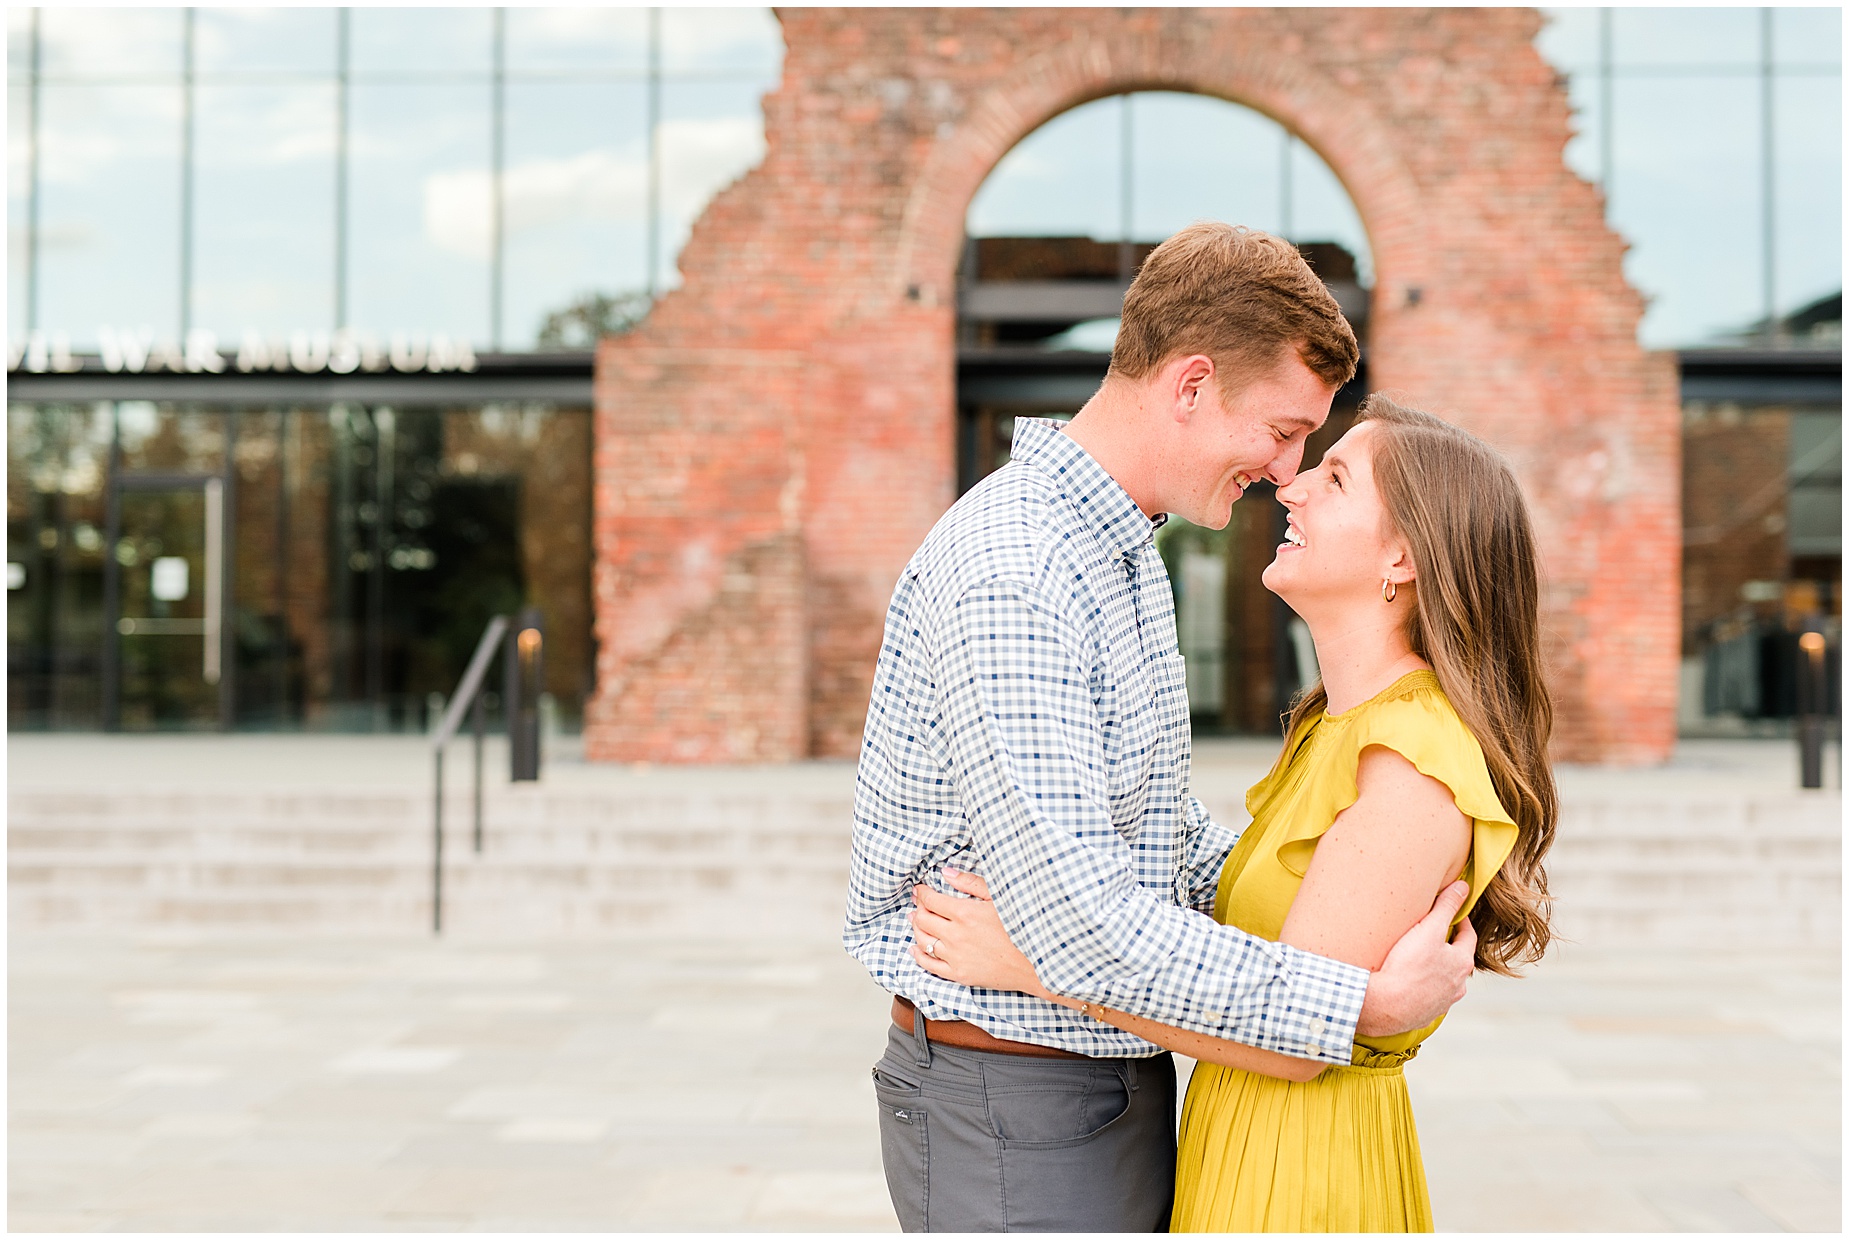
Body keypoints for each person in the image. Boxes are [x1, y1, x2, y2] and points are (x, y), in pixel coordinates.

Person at [841, 223, 1479, 1233]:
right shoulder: (1020, 569)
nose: (1285, 469)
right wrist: (1359, 1007)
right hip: (1019, 1104)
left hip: (1094, 1086)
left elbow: (1156, 838)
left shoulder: (1118, 551)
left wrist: (1338, 875)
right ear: (1188, 386)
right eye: (1280, 429)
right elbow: (1088, 929)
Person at [912, 396, 1559, 1231]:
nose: (1289, 489)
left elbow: (1289, 1042)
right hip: (1244, 1137)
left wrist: (1035, 963)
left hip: (1297, 1170)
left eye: (1333, 476)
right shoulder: (1338, 727)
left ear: (1401, 556)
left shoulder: (1408, 762)